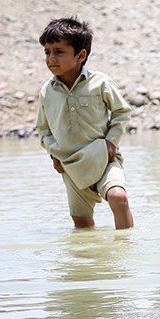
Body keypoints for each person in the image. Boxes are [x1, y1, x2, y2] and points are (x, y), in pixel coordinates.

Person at [35, 17, 134, 230]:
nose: (51, 58)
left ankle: (125, 253)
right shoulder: (46, 91)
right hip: (70, 166)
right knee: (81, 222)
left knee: (119, 198)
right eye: (47, 52)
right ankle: (87, 261)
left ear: (81, 55)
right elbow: (43, 130)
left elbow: (122, 112)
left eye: (59, 51)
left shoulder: (100, 83)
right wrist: (55, 155)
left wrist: (111, 143)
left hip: (104, 157)